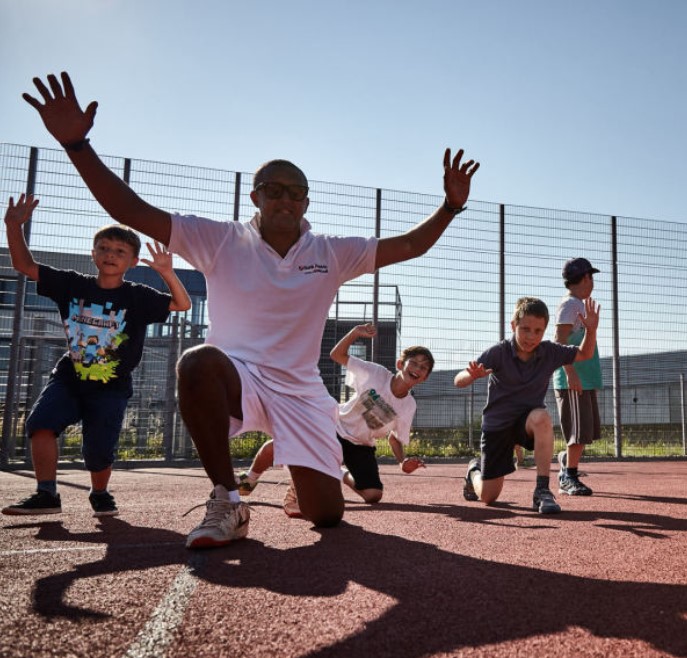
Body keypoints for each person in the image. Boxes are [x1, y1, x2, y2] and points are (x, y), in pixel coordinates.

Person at [22, 72, 479, 549]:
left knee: (328, 516)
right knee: (197, 360)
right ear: (255, 196)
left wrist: (449, 206)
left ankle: (303, 491)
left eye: (294, 192)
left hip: (302, 391)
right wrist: (77, 144)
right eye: (273, 188)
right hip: (238, 375)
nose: (284, 198)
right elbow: (132, 210)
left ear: (306, 202)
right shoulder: (221, 240)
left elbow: (409, 245)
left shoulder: (331, 251)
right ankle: (228, 501)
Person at [1, 193, 191, 517]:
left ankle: (99, 492)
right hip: (70, 375)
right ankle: (46, 493)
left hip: (111, 385)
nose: (109, 255)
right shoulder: (72, 285)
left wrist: (167, 273)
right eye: (103, 248)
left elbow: (182, 304)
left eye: (119, 251)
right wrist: (12, 226)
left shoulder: (138, 296)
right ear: (93, 254)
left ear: (132, 261)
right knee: (40, 424)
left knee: (99, 450)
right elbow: (23, 265)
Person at [237, 323, 432, 508]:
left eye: (423, 368)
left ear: (425, 378)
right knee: (284, 442)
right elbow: (337, 355)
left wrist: (402, 462)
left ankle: (335, 471)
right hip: (334, 427)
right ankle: (251, 478)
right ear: (400, 364)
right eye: (413, 363)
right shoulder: (375, 373)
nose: (417, 368)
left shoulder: (408, 405)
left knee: (373, 495)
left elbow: (395, 437)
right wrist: (355, 333)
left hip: (361, 445)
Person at [453, 296, 600, 514]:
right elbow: (459, 380)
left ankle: (542, 491)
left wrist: (591, 330)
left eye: (538, 331)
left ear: (545, 331)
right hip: (497, 426)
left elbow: (585, 353)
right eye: (525, 329)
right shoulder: (499, 352)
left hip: (526, 422)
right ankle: (474, 470)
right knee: (488, 497)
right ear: (513, 326)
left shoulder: (550, 351)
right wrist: (471, 376)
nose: (531, 337)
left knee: (542, 418)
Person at [553, 258, 602, 496]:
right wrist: (570, 373)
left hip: (585, 377)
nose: (592, 282)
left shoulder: (579, 305)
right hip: (573, 379)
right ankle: (567, 477)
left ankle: (566, 460)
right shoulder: (570, 305)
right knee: (577, 432)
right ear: (584, 278)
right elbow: (559, 342)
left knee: (584, 432)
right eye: (590, 276)